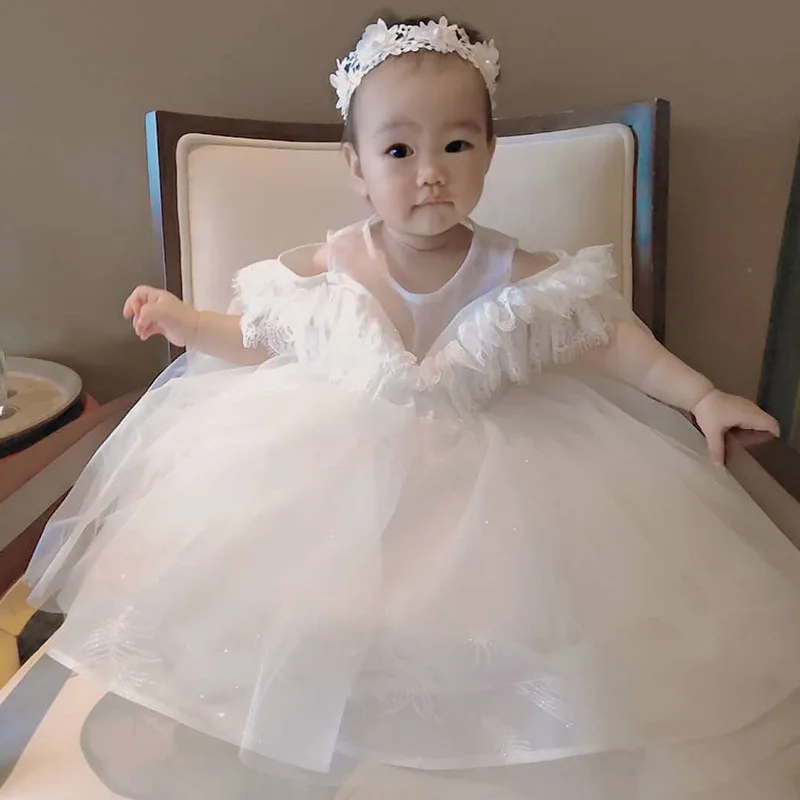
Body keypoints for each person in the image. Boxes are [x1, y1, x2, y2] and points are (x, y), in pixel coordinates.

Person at [24, 15, 800, 799]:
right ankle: (318, 725)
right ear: (357, 166)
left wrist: (701, 395)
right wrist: (186, 323)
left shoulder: (514, 271)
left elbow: (614, 341)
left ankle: (483, 729)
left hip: (491, 482)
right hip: (333, 474)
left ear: (489, 154)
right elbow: (260, 337)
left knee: (509, 608)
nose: (430, 173)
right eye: (399, 151)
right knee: (314, 604)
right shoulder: (333, 263)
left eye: (456, 146)